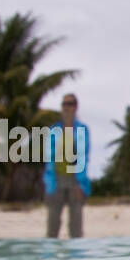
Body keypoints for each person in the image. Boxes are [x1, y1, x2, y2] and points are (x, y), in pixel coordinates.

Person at [44, 93, 92, 238]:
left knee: (76, 228)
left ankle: (77, 259)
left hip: (75, 180)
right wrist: (49, 184)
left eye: (70, 104)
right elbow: (49, 158)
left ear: (75, 107)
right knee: (52, 226)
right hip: (56, 179)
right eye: (64, 104)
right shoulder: (54, 130)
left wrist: (80, 184)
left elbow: (83, 157)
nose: (67, 107)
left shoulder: (82, 129)